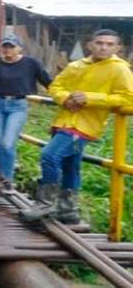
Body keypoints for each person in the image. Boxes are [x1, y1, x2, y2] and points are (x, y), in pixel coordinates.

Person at [21, 29, 133, 223]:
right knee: (71, 166)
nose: (103, 47)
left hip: (85, 125)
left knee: (49, 156)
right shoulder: (76, 65)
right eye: (99, 43)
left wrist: (89, 98)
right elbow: (56, 86)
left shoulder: (119, 69)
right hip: (63, 120)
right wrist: (65, 98)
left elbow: (128, 98)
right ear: (90, 44)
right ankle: (68, 210)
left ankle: (44, 204)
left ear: (117, 48)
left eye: (109, 44)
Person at [0, 35, 52, 194]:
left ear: (20, 48)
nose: (7, 50)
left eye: (11, 47)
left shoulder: (31, 63)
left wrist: (62, 98)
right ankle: (3, 178)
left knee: (8, 143)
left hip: (18, 106)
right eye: (5, 46)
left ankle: (8, 178)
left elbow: (48, 82)